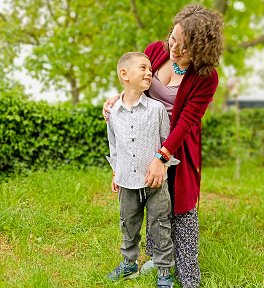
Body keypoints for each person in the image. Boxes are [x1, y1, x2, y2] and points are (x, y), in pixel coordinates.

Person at [103, 4, 224, 288]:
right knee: (154, 201)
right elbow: (137, 83)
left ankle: (188, 272)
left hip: (178, 146)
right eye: (174, 40)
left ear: (201, 52)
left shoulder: (206, 78)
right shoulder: (155, 50)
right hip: (146, 140)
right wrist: (118, 99)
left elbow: (186, 122)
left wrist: (162, 156)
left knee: (182, 207)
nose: (174, 50)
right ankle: (158, 260)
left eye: (184, 48)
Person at [106, 52, 177, 288]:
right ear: (124, 74)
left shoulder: (156, 109)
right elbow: (114, 145)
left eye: (150, 69)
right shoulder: (113, 113)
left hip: (154, 184)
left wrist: (163, 167)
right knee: (128, 224)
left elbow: (167, 141)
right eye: (143, 68)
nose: (149, 73)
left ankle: (164, 270)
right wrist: (116, 171)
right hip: (127, 182)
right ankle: (129, 263)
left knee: (161, 226)